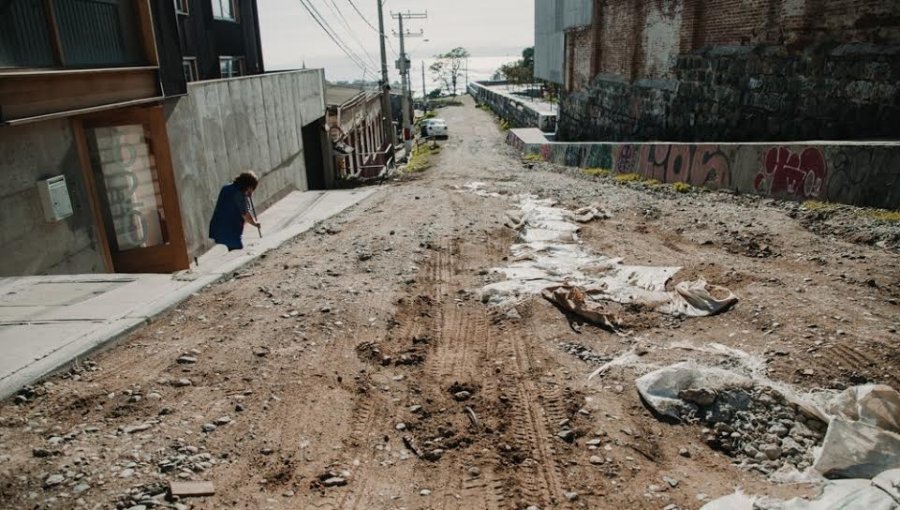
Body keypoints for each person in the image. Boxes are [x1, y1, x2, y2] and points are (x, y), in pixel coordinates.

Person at [209, 171, 261, 251]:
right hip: (230, 231)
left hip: (216, 227)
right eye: (252, 189)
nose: (252, 191)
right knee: (237, 249)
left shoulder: (226, 188)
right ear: (249, 187)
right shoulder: (239, 195)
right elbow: (245, 214)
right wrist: (255, 224)